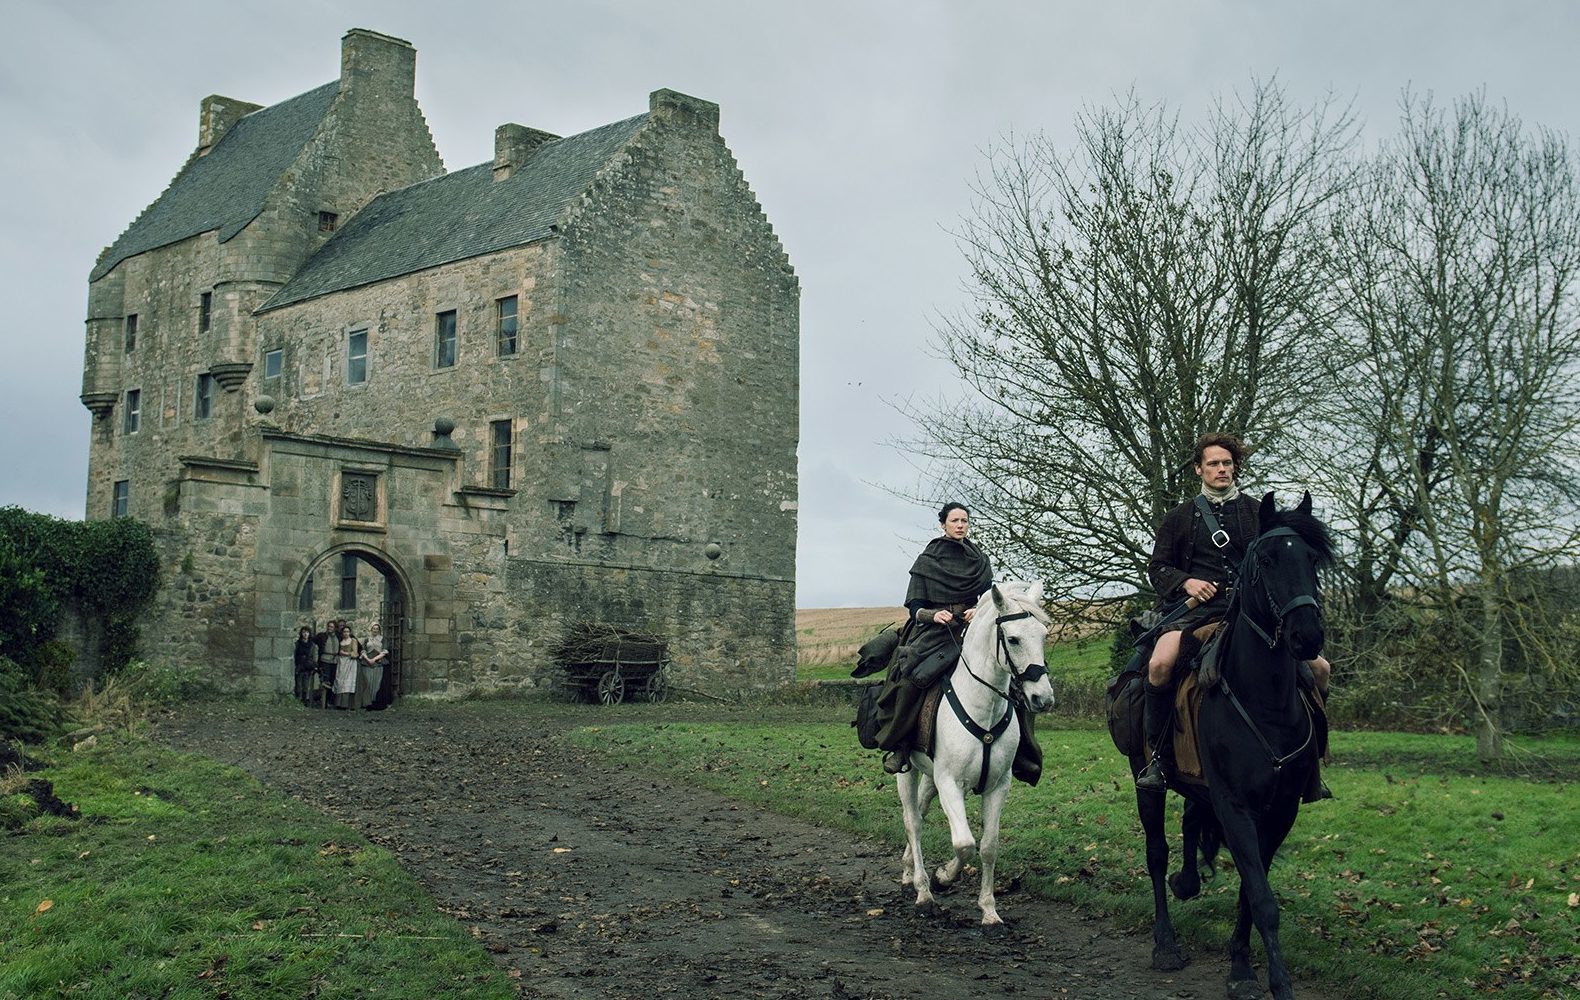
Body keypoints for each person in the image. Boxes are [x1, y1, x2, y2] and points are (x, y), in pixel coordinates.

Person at [1135, 433, 1331, 796]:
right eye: (1213, 464)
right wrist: (1187, 582)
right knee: (1159, 664)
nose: (1221, 469)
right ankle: (1158, 762)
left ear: (1235, 468)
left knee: (1320, 669)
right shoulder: (1179, 517)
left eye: (1227, 463)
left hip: (1252, 615)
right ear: (1199, 469)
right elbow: (1158, 567)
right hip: (1195, 614)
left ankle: (1311, 764)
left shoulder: (1260, 512)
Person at [872, 502, 995, 774]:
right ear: (943, 525)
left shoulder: (979, 560)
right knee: (910, 678)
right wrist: (933, 615)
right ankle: (902, 745)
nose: (960, 525)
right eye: (955, 520)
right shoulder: (927, 560)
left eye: (964, 520)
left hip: (969, 627)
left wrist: (979, 609)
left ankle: (1020, 750)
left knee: (1011, 672)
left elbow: (988, 595)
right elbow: (915, 606)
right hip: (933, 631)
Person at [358, 621, 389, 711]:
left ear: (379, 630)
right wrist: (368, 659)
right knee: (367, 682)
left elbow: (384, 651)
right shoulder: (367, 639)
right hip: (367, 662)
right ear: (371, 629)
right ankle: (367, 702)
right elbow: (363, 650)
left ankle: (375, 702)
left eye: (377, 629)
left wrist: (374, 659)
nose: (375, 630)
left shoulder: (382, 639)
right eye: (374, 628)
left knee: (377, 683)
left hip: (378, 662)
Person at [333, 623, 361, 710]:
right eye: (344, 632)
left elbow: (355, 654)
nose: (346, 633)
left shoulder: (353, 640)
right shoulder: (340, 641)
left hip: (350, 663)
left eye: (348, 631)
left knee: (348, 682)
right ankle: (340, 704)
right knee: (340, 681)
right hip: (341, 663)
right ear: (342, 633)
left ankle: (349, 704)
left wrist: (345, 653)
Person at [315, 619, 341, 709]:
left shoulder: (338, 636)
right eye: (329, 626)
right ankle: (324, 703)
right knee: (326, 681)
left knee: (333, 680)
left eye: (331, 627)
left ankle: (330, 701)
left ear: (335, 628)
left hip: (335, 661)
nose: (329, 628)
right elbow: (312, 642)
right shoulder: (322, 636)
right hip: (325, 660)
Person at [293, 626, 316, 705]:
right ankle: (297, 700)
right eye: (303, 632)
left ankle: (304, 700)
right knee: (298, 685)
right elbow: (295, 655)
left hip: (307, 667)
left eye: (307, 632)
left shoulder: (312, 645)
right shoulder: (297, 644)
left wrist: (313, 665)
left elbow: (314, 657)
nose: (305, 634)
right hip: (299, 666)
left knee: (306, 686)